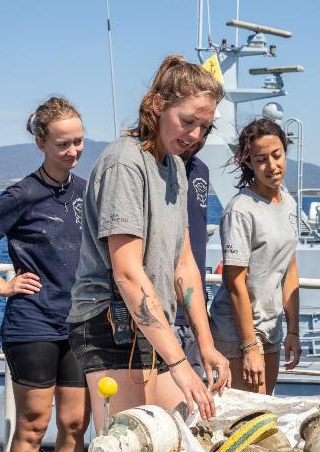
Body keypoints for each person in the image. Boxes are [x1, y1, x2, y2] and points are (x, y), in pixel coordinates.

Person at [68, 55, 231, 431]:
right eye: (187, 121)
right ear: (157, 104)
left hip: (153, 328)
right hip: (112, 323)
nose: (194, 135)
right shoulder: (125, 163)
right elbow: (126, 273)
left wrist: (205, 346)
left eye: (204, 127)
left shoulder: (175, 167)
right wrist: (179, 366)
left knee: (184, 437)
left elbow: (184, 264)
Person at [0, 97, 90, 452]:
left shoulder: (86, 190)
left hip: (80, 321)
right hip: (33, 322)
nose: (73, 151)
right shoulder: (22, 194)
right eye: (62, 144)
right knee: (33, 425)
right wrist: (1, 285)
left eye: (79, 141)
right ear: (41, 143)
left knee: (75, 424)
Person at [209, 118, 302, 394]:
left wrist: (293, 331)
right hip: (237, 332)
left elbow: (289, 269)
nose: (272, 166)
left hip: (271, 328)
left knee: (265, 411)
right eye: (261, 159)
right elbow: (235, 283)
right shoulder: (241, 209)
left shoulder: (288, 202)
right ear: (248, 163)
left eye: (277, 155)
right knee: (244, 421)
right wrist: (249, 346)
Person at [173, 138, 210, 378]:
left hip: (194, 314)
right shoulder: (152, 169)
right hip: (163, 316)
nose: (195, 136)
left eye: (205, 129)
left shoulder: (200, 170)